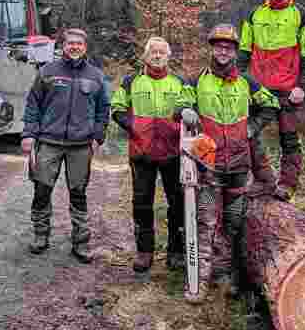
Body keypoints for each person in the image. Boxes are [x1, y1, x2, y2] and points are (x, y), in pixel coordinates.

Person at [180, 24, 280, 304]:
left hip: (238, 166)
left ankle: (229, 276)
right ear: (211, 48)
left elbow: (272, 104)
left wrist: (252, 127)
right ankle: (198, 281)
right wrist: (186, 111)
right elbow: (181, 103)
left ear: (235, 51)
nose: (223, 51)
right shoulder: (197, 80)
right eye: (218, 46)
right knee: (206, 222)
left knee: (235, 224)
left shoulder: (248, 83)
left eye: (229, 47)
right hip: (208, 166)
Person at [21, 28, 109, 263]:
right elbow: (32, 105)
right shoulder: (47, 72)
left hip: (80, 145)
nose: (74, 47)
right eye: (70, 43)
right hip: (48, 142)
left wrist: (97, 136)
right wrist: (29, 135)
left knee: (78, 193)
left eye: (79, 43)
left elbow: (103, 110)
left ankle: (80, 242)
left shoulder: (96, 76)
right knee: (42, 189)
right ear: (63, 46)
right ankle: (41, 236)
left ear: (85, 47)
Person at [237, 0, 305, 200]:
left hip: (289, 87)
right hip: (258, 87)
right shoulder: (255, 15)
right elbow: (244, 50)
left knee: (289, 138)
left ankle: (288, 184)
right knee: (248, 133)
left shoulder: (303, 15)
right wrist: (238, 81)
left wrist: (302, 86)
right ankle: (264, 179)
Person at [110, 36, 188, 273]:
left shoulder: (180, 82)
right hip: (141, 153)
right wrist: (133, 126)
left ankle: (175, 251)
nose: (156, 55)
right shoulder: (131, 81)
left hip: (172, 153)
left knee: (177, 203)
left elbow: (189, 108)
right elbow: (117, 108)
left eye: (161, 52)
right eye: (152, 51)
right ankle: (144, 251)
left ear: (168, 56)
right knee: (142, 204)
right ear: (145, 55)